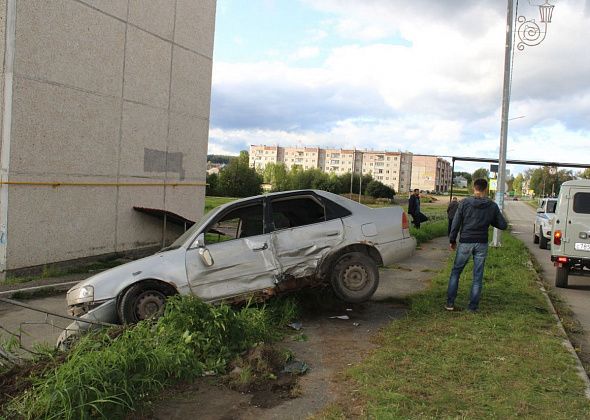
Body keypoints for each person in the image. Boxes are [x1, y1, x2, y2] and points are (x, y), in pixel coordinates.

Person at [445, 179, 508, 312]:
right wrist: (490, 220)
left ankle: (450, 303)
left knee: (456, 272)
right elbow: (503, 225)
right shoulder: (492, 205)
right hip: (482, 243)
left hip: (465, 242)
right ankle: (472, 307)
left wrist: (452, 240)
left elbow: (455, 223)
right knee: (477, 276)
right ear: (485, 189)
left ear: (474, 188)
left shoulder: (464, 203)